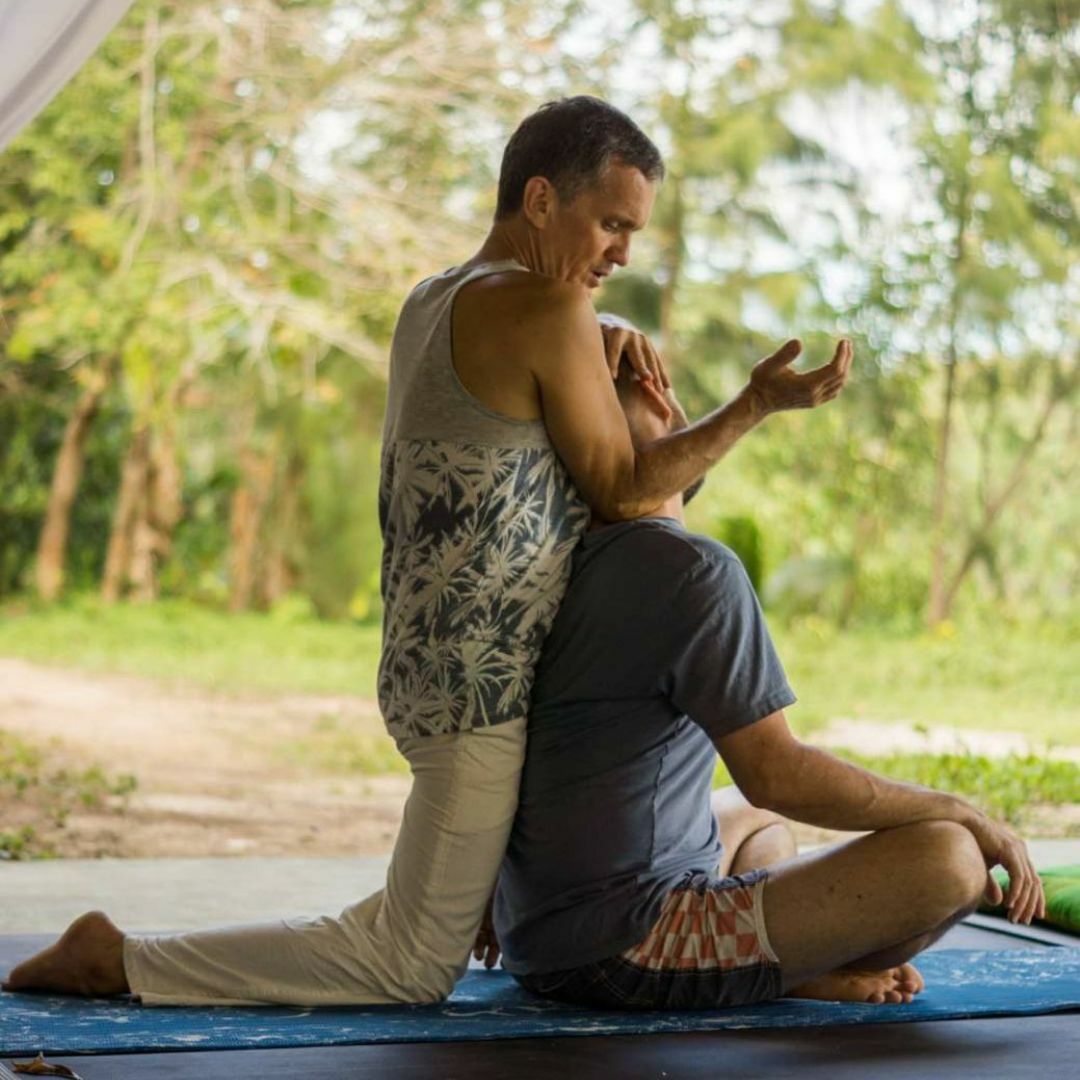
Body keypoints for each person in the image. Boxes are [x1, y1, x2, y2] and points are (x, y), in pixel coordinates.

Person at [3, 96, 851, 1006]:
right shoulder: (545, 304)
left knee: (440, 911)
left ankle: (757, 954)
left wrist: (605, 364)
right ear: (537, 200)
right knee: (407, 961)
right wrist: (754, 404)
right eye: (610, 223)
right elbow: (623, 491)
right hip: (475, 682)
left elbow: (563, 473)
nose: (622, 254)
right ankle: (119, 959)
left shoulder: (437, 295)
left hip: (438, 666)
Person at [492, 361, 1046, 1009]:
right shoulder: (687, 570)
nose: (656, 381)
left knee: (760, 825)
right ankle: (782, 972)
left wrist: (485, 893)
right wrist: (962, 810)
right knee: (949, 860)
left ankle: (790, 965)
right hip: (622, 948)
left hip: (537, 934)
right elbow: (778, 771)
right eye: (622, 376)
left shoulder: (541, 571)